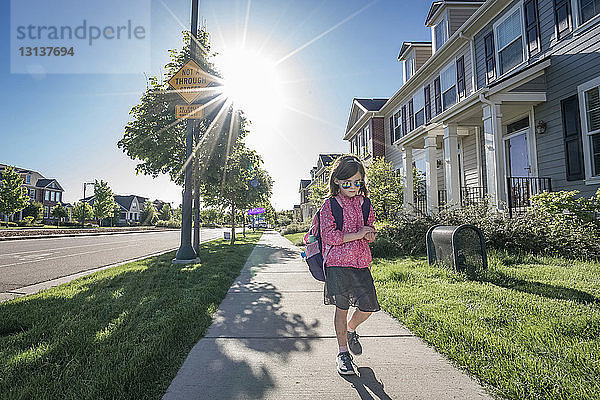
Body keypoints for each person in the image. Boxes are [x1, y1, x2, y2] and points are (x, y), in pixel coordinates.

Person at [319, 155, 379, 375]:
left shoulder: (365, 204)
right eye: (347, 183)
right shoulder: (330, 205)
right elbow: (330, 236)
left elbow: (370, 225)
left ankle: (351, 329)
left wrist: (370, 234)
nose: (353, 187)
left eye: (358, 182)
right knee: (341, 309)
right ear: (337, 181)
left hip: (361, 263)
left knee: (368, 306)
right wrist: (357, 234)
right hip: (338, 265)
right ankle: (343, 353)